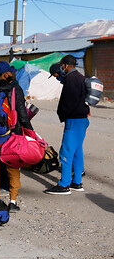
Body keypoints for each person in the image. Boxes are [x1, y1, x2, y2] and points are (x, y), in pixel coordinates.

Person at [0, 61, 33, 212]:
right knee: (13, 169)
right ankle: (13, 201)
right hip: (11, 136)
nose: (13, 73)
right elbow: (23, 115)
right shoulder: (14, 89)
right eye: (10, 72)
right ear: (5, 74)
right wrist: (31, 133)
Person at [45, 55, 90, 195]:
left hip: (74, 119)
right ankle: (76, 182)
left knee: (66, 152)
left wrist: (62, 114)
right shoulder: (80, 77)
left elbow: (69, 103)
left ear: (64, 65)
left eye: (62, 66)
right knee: (77, 151)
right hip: (82, 119)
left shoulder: (71, 80)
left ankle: (64, 185)